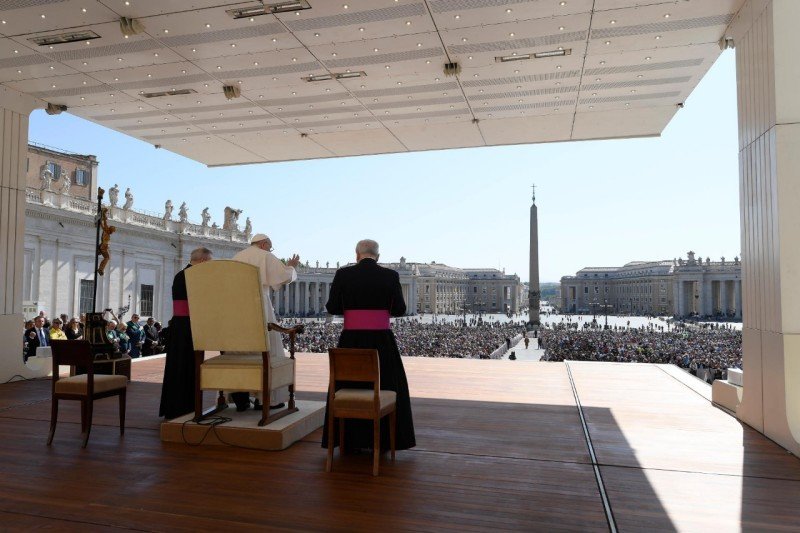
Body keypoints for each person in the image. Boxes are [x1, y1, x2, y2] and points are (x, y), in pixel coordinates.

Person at [322, 239, 416, 452]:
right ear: (378, 256)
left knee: (347, 383)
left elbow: (333, 306)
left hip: (351, 340)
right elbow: (400, 309)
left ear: (357, 255)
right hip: (381, 341)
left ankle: (349, 440)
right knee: (386, 384)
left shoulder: (343, 275)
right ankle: (383, 442)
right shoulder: (390, 276)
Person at [229, 233, 300, 411]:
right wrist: (291, 267)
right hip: (259, 306)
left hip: (236, 310)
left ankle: (241, 398)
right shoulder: (265, 256)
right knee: (267, 350)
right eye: (270, 246)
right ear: (263, 244)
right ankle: (266, 400)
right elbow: (283, 276)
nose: (270, 249)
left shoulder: (237, 257)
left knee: (240, 353)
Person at [159, 247, 213, 419]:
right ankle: (184, 406)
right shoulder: (194, 275)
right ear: (203, 261)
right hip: (188, 327)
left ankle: (181, 406)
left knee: (180, 366)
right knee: (185, 366)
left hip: (181, 326)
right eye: (209, 262)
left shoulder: (181, 274)